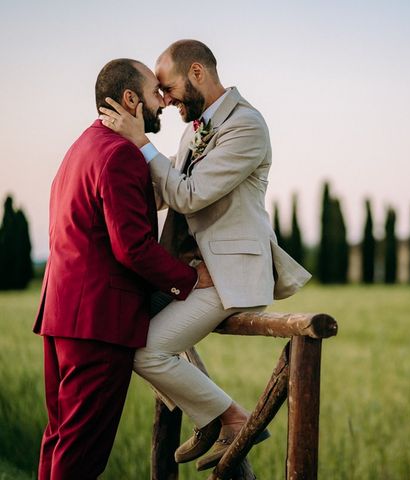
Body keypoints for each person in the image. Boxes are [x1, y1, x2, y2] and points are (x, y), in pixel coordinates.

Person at [99, 39, 311, 472]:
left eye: (169, 88)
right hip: (194, 272)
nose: (164, 99)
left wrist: (140, 143)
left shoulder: (247, 126)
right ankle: (216, 420)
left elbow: (189, 195)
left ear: (197, 73)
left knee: (146, 352)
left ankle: (231, 419)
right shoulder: (192, 130)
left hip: (230, 275)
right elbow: (164, 192)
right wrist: (112, 160)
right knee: (123, 324)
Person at [33, 59, 214, 480]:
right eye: (155, 94)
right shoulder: (121, 155)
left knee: (59, 438)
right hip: (98, 324)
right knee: (80, 454)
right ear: (131, 99)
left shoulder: (81, 148)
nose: (163, 103)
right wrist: (191, 279)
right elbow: (132, 248)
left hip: (61, 314)